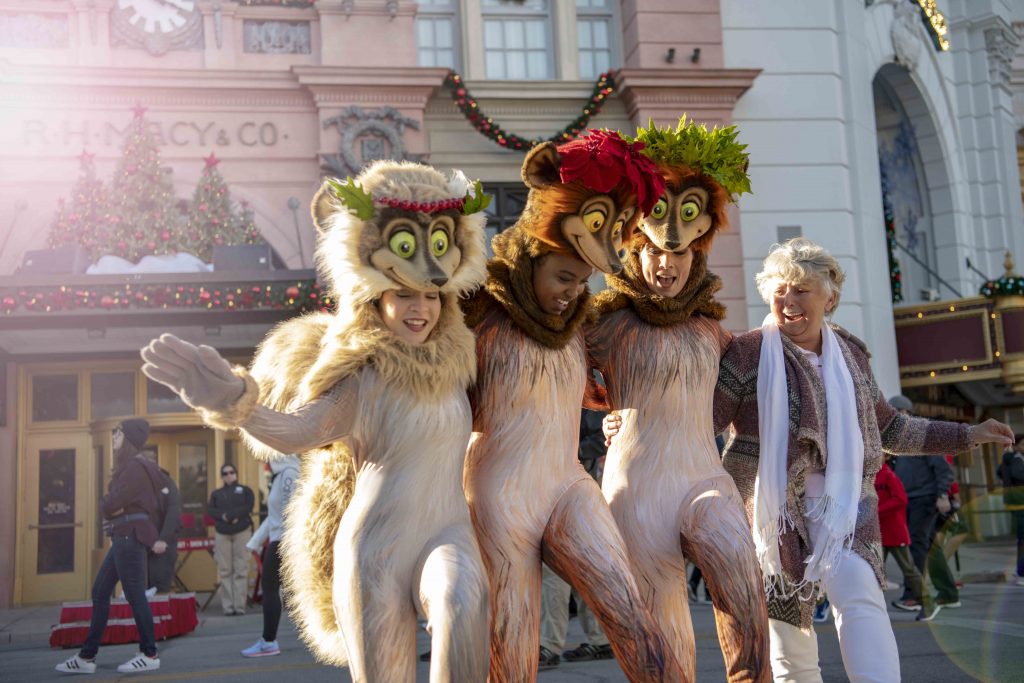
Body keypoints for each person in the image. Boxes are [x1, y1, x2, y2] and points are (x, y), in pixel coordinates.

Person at [142, 161, 492, 681]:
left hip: (448, 534)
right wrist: (235, 400)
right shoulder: (363, 377)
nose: (420, 308)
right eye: (403, 295)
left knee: (463, 603)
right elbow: (297, 432)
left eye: (430, 296)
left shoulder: (463, 370)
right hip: (372, 552)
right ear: (376, 297)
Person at [709, 238, 1013, 682]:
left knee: (860, 596)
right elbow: (704, 421)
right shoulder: (747, 352)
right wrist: (627, 425)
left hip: (846, 508)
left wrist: (969, 434)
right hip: (773, 513)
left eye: (801, 290)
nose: (788, 301)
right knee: (789, 632)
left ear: (829, 298)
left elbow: (892, 430)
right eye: (779, 290)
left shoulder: (851, 355)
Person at [462, 130, 686, 682]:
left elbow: (598, 385)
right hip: (497, 499)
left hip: (568, 486)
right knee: (513, 651)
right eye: (564, 276)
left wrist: (615, 409)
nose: (572, 290)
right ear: (531, 256)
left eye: (583, 279)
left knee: (631, 612)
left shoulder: (581, 323)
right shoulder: (480, 315)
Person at [589, 118, 770, 683]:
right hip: (635, 492)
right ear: (635, 250)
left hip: (704, 479)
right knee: (664, 642)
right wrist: (602, 414)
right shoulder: (605, 324)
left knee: (741, 577)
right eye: (654, 253)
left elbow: (764, 385)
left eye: (681, 254)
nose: (667, 264)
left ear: (697, 255)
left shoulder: (714, 333)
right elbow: (555, 376)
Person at [55, 419, 164, 675]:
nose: (114, 437)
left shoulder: (134, 468)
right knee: (100, 591)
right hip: (124, 535)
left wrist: (110, 506)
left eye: (118, 433)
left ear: (129, 439)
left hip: (128, 537)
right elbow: (115, 505)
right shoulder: (132, 467)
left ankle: (149, 654)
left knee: (135, 595)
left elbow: (109, 504)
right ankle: (87, 657)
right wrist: (114, 507)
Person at [538, 409, 612, 669]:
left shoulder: (583, 402)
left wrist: (573, 452)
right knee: (580, 569)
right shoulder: (568, 399)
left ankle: (550, 644)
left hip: (572, 491)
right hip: (563, 491)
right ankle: (600, 639)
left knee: (556, 570)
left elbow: (601, 438)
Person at [888, 396, 960, 620]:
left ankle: (919, 596)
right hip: (910, 499)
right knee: (929, 548)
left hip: (925, 499)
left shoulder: (921, 434)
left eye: (895, 411)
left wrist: (942, 495)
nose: (892, 416)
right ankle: (948, 594)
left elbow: (944, 470)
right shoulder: (898, 438)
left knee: (916, 546)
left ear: (905, 412)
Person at [241, 455, 300, 657]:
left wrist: (289, 543)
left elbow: (293, 512)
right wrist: (254, 543)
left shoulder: (289, 474)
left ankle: (269, 641)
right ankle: (268, 640)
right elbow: (273, 518)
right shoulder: (281, 475)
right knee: (271, 588)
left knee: (270, 588)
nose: (263, 459)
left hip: (283, 541)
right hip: (280, 539)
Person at [875, 455, 926, 614]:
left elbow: (900, 499)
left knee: (909, 569)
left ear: (886, 457)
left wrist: (877, 511)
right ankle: (873, 602)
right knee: (875, 570)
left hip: (895, 532)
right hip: (879, 533)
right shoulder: (870, 477)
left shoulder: (889, 475)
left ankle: (925, 599)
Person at [207, 463, 254, 616]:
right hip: (222, 532)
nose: (229, 475)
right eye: (225, 473)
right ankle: (228, 607)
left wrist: (234, 515)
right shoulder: (217, 493)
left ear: (236, 473)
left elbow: (249, 506)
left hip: (242, 531)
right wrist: (224, 516)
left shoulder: (245, 490)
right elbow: (211, 510)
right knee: (225, 570)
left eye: (231, 472)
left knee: (241, 569)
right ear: (222, 476)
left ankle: (239, 607)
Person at [145, 454, 180, 596]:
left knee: (160, 587)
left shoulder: (167, 483)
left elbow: (173, 512)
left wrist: (163, 539)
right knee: (142, 588)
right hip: (143, 543)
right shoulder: (138, 484)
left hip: (162, 542)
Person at [997, 436, 1024, 585]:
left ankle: (1019, 571)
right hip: (1020, 503)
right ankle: (1020, 573)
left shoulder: (1009, 459)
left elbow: (999, 472)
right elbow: (1017, 474)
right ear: (1016, 446)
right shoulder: (1017, 459)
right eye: (1023, 444)